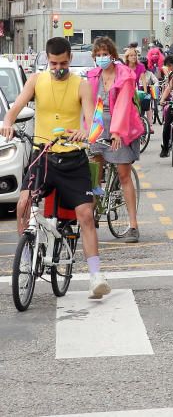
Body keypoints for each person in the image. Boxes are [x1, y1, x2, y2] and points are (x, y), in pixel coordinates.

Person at [1, 37, 110, 299]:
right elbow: (15, 107)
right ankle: (26, 256)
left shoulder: (82, 85)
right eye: (53, 63)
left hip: (74, 160)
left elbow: (94, 123)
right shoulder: (36, 81)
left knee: (85, 214)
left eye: (62, 63)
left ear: (70, 59)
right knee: (23, 204)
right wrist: (7, 121)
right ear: (47, 60)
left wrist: (84, 133)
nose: (58, 68)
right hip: (44, 156)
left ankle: (96, 275)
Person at [87, 37, 145, 242]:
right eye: (98, 55)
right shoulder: (92, 76)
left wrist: (117, 132)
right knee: (93, 174)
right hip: (97, 126)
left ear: (113, 55)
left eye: (105, 54)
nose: (102, 58)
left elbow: (123, 105)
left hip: (121, 125)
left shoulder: (125, 76)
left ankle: (133, 225)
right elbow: (86, 104)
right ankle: (90, 216)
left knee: (123, 174)